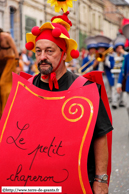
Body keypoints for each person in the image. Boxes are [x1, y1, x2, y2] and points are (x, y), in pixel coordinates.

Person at [25, 10, 113, 194]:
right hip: (35, 180)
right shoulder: (25, 88)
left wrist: (101, 180)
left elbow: (100, 135)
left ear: (64, 54)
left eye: (50, 51)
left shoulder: (86, 88)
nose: (42, 57)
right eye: (38, 51)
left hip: (79, 180)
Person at [0, 28, 19, 118]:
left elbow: (16, 51)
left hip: (10, 62)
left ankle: (6, 111)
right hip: (1, 63)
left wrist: (17, 64)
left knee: (3, 84)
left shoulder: (6, 37)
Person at [91, 35, 115, 102]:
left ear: (105, 49)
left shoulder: (110, 57)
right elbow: (93, 68)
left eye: (102, 49)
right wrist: (95, 64)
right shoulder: (97, 56)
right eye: (100, 48)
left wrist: (105, 61)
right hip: (99, 76)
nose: (101, 50)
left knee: (107, 92)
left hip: (107, 76)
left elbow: (112, 66)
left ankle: (108, 100)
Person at [111, 35, 127, 109]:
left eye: (121, 47)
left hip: (123, 74)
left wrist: (124, 52)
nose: (120, 49)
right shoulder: (113, 56)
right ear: (116, 49)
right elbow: (109, 63)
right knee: (116, 87)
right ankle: (114, 102)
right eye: (119, 47)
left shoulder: (124, 55)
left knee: (122, 87)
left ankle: (121, 101)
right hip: (116, 73)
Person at [117, 24, 129, 119]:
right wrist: (119, 84)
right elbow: (123, 71)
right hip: (128, 86)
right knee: (128, 107)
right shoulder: (127, 56)